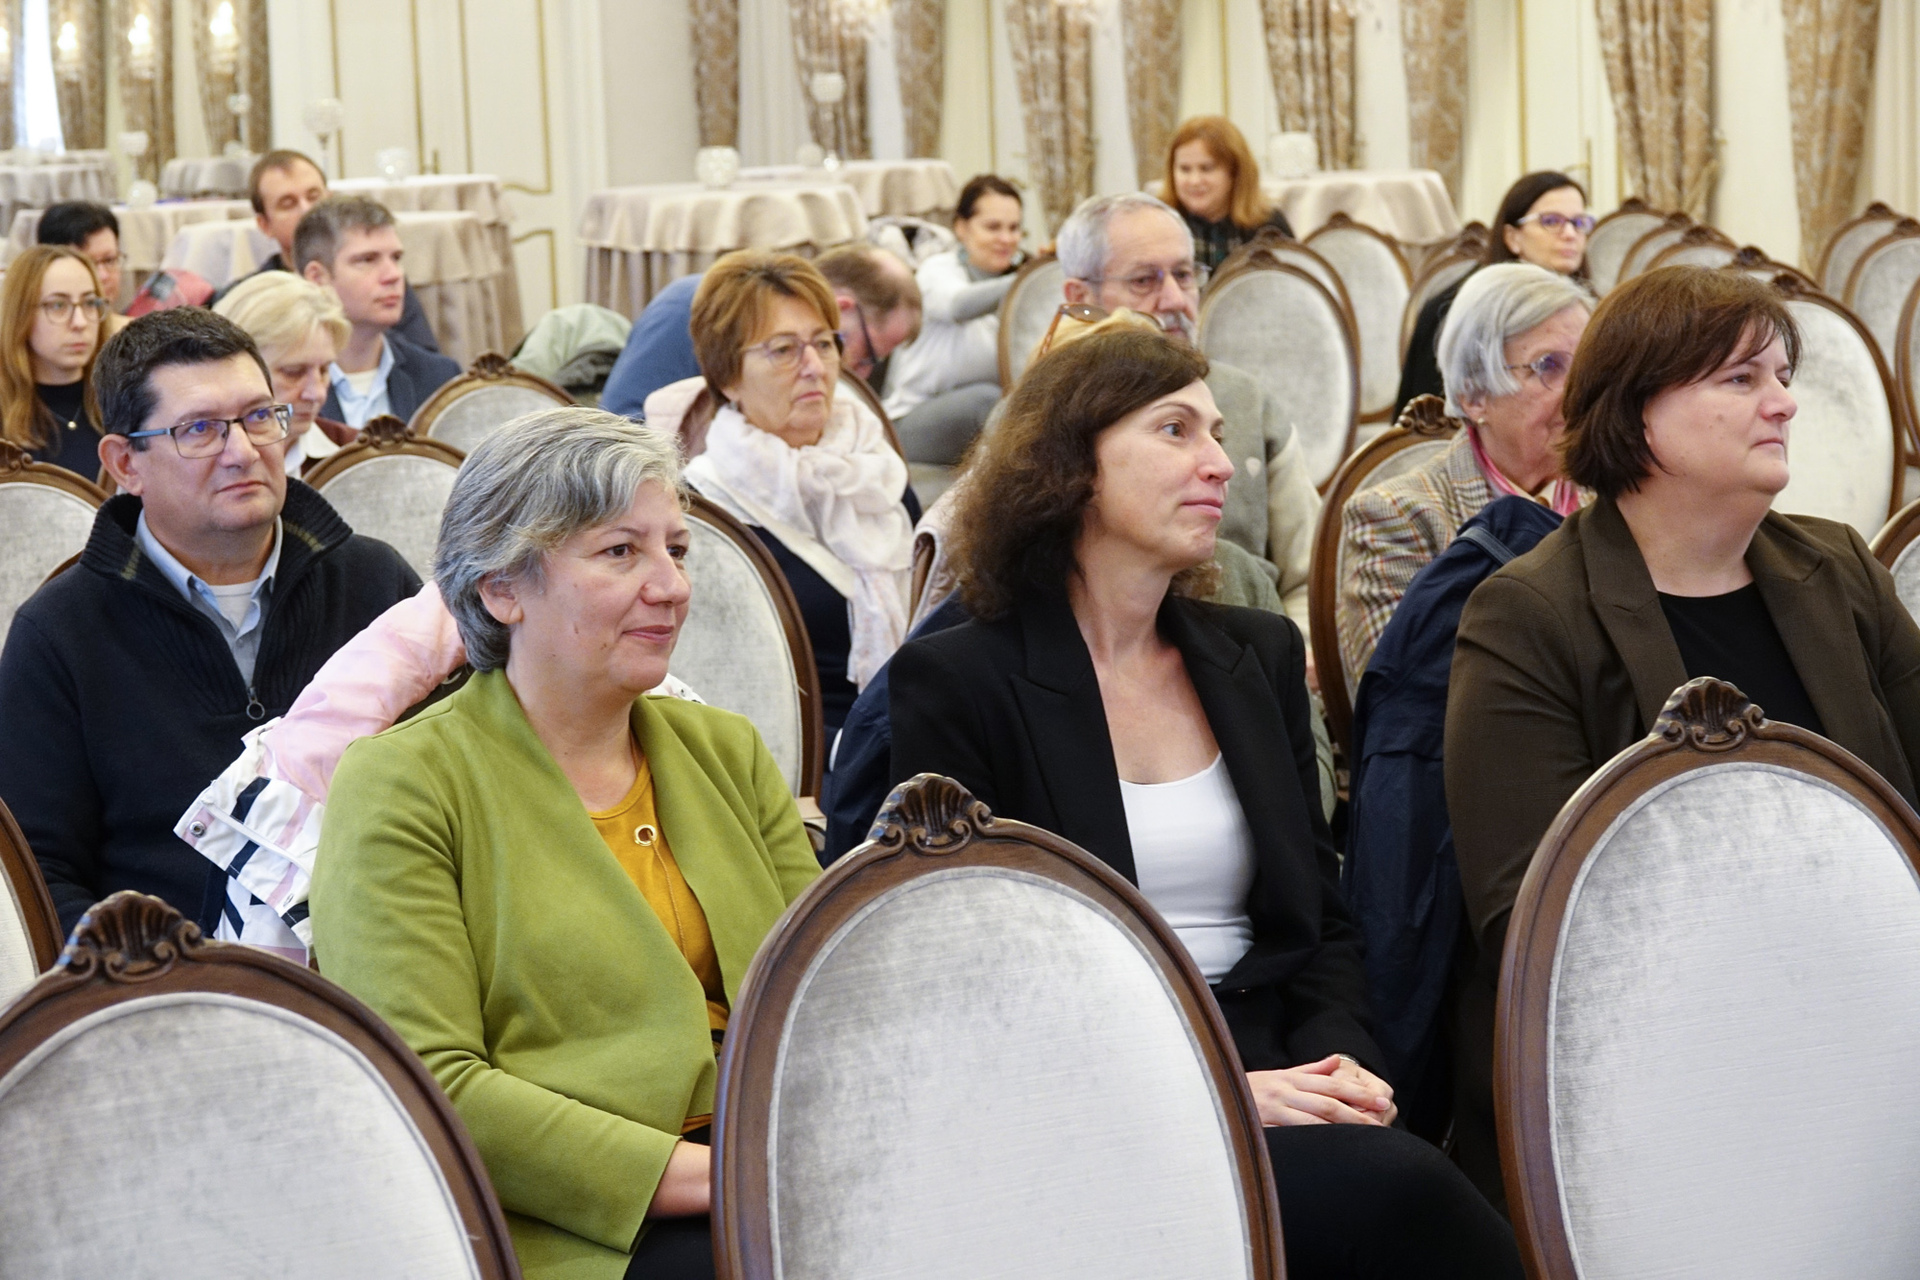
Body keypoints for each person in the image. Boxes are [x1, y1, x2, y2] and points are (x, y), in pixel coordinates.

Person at [888, 329, 1522, 1279]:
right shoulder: (959, 681)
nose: (1221, 463)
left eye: (1218, 434)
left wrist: (1343, 1066)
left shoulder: (1254, 654)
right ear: (1072, 465)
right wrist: (1218, 1089)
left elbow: (1320, 920)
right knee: (1409, 1200)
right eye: (1176, 430)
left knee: (1401, 1184)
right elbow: (970, 978)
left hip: (1277, 1056)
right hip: (1091, 1089)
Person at [1444, 265, 1920, 1209]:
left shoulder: (1837, 570)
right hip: (1654, 1065)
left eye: (1782, 376)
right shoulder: (1528, 616)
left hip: (1872, 1002)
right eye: (1741, 379)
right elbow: (1531, 920)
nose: (1783, 403)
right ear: (1637, 414)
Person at [311, 408, 819, 1280]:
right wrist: (722, 1174)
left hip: (782, 1156)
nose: (671, 585)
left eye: (677, 549)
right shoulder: (404, 783)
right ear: (502, 590)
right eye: (621, 551)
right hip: (586, 1224)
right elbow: (426, 1083)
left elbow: (826, 992)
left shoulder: (725, 750)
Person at [0, 308, 419, 934]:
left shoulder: (373, 583)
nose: (243, 452)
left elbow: (456, 788)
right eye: (200, 429)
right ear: (126, 463)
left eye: (258, 416)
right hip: (165, 975)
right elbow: (37, 876)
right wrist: (164, 976)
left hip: (380, 951)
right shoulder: (60, 633)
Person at [1059, 192, 1321, 640]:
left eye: (1184, 275)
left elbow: (1310, 575)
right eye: (1144, 280)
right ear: (1081, 296)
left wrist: (1296, 652)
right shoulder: (1036, 420)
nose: (1174, 299)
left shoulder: (1245, 399)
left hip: (1255, 648)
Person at [683, 251, 918, 735]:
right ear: (728, 377)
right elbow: (711, 694)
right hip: (801, 759)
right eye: (784, 350)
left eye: (825, 343)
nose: (815, 367)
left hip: (915, 728)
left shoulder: (876, 471)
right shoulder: (704, 514)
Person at [1338, 263, 1591, 679]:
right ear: (1473, 395)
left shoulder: (1618, 494)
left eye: (1587, 366)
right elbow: (1405, 694)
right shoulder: (1398, 518)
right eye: (1548, 366)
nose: (1581, 391)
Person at [601, 245, 923, 419]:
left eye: (824, 344)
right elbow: (620, 428)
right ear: (843, 308)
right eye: (867, 355)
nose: (862, 374)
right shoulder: (689, 307)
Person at [1394, 171, 1593, 417]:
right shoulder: (1459, 308)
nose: (1570, 234)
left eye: (1579, 223)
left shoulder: (1586, 308)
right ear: (1512, 237)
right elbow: (1429, 419)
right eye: (1551, 221)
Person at [211, 149, 440, 353]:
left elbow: (422, 363)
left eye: (314, 196)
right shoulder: (245, 298)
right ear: (264, 224)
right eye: (288, 204)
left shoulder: (383, 280)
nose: (306, 209)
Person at [881, 175, 1025, 465]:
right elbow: (958, 306)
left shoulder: (1013, 284)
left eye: (1014, 228)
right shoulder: (937, 269)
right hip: (907, 425)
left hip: (974, 424)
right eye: (993, 227)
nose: (1006, 239)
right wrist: (1030, 279)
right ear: (961, 227)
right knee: (989, 401)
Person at [296, 196, 462, 428]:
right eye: (367, 260)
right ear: (317, 278)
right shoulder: (284, 384)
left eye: (396, 258)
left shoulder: (438, 376)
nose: (393, 275)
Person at [213, 270, 356, 471]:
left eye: (324, 371)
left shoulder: (355, 455)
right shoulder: (197, 462)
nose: (317, 394)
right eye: (293, 372)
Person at [0, 245, 108, 480]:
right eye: (58, 305)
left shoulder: (120, 402)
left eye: (90, 303)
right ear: (20, 315)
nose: (80, 322)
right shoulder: (5, 414)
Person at [1163, 116, 1294, 274]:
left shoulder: (1269, 227)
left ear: (1234, 172)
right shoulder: (1160, 225)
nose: (1194, 181)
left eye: (1206, 168)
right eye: (1185, 169)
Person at [36, 201, 132, 339]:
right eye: (87, 264)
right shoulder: (39, 344)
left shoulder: (139, 340)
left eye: (109, 260)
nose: (103, 276)